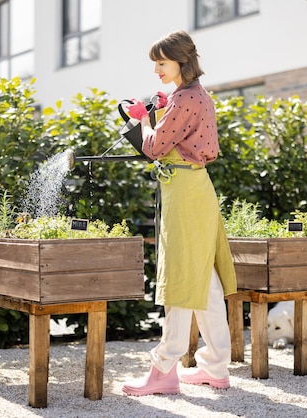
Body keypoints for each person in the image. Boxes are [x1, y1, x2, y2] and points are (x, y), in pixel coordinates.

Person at [121, 30, 237, 396]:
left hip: (185, 193)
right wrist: (159, 110)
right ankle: (215, 368)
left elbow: (154, 147)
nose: (156, 69)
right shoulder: (195, 95)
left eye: (161, 63)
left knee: (180, 281)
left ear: (180, 62)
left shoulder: (184, 99)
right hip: (197, 187)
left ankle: (163, 370)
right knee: (205, 283)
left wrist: (142, 118)